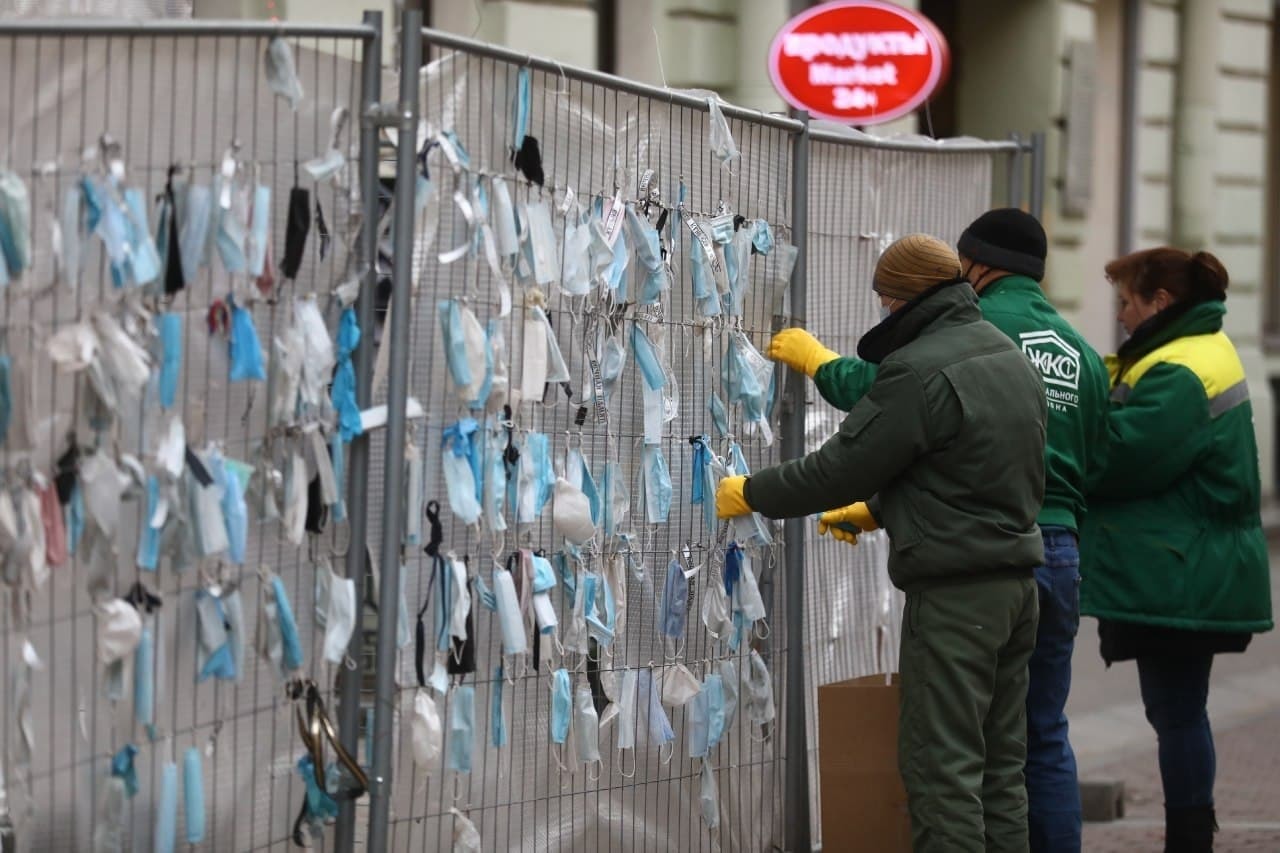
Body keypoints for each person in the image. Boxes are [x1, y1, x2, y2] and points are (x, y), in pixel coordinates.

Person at [772, 209, 1109, 852]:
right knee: (1032, 741)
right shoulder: (1080, 352)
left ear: (979, 266)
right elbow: (1095, 459)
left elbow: (897, 399)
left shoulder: (983, 329)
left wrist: (823, 365)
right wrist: (892, 505)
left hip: (969, 558)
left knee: (948, 759)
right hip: (1051, 550)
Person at [717, 233, 1046, 852]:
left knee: (941, 772)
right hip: (1015, 592)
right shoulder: (1006, 358)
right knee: (1001, 772)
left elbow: (837, 469)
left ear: (903, 299)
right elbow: (977, 469)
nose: (883, 310)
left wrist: (750, 492)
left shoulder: (918, 371)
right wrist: (882, 510)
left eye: (885, 299)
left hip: (955, 602)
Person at [1081, 247, 1273, 852]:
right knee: (1179, 710)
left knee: (1177, 711)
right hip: (1188, 561)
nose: (1120, 316)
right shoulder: (1193, 352)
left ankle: (1190, 837)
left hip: (1180, 567)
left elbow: (1121, 458)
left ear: (1161, 303)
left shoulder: (1179, 370)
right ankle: (1191, 832)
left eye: (1127, 303)